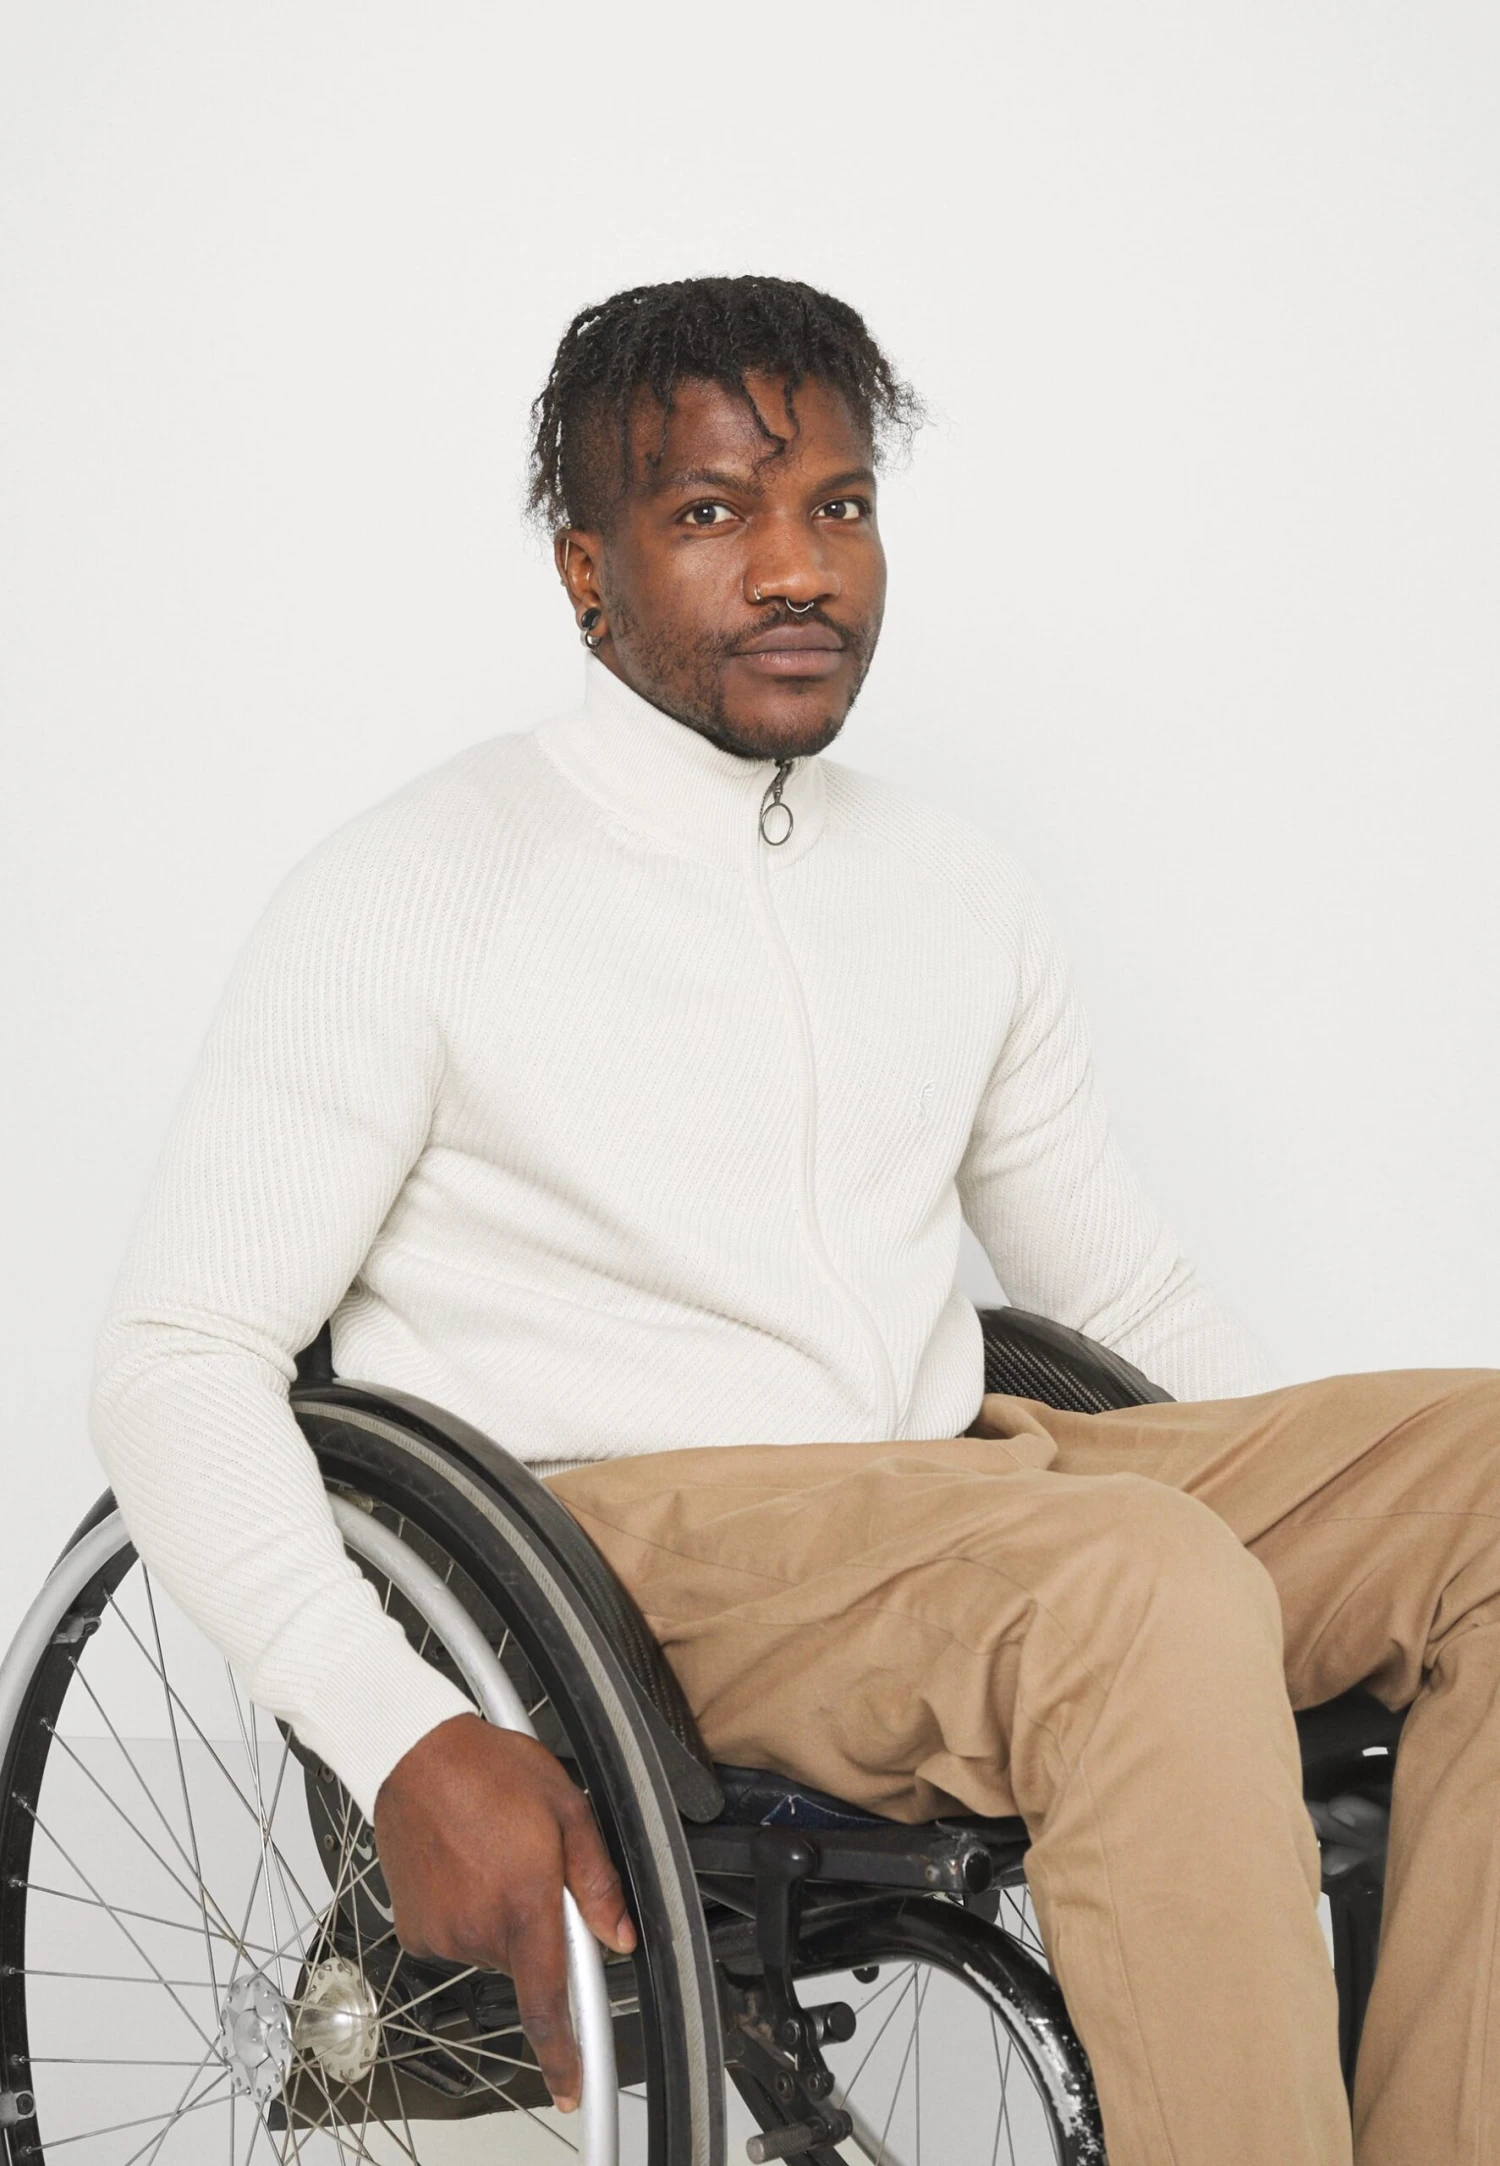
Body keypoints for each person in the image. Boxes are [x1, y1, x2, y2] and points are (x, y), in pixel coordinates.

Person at [90, 274, 1498, 2166]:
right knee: (1144, 1589)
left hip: (971, 1496)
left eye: (837, 505)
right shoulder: (417, 889)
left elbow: (1126, 1283)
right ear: (585, 572)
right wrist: (396, 1726)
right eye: (712, 511)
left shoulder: (953, 887)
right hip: (642, 1549)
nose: (796, 568)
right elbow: (176, 1353)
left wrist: (1328, 1569)